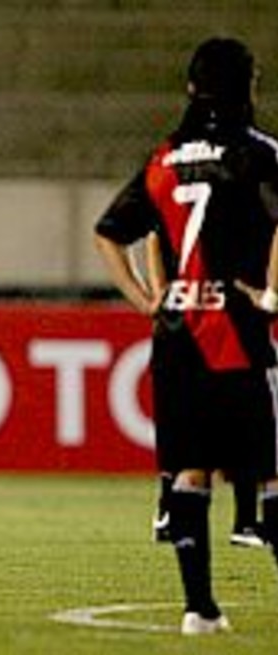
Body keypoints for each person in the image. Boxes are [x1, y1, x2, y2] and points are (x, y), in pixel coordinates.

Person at [94, 37, 278, 635]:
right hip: (236, 330)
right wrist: (272, 294)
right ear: (246, 85)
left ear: (192, 88)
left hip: (175, 335)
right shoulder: (258, 153)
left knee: (190, 471)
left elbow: (110, 231)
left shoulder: (163, 158)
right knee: (270, 470)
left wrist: (148, 298)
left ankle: (199, 609)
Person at [144, 235, 266, 548]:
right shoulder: (244, 194)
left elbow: (151, 235)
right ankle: (244, 521)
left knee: (187, 424)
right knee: (243, 421)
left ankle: (172, 511)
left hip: (197, 319)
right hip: (219, 321)